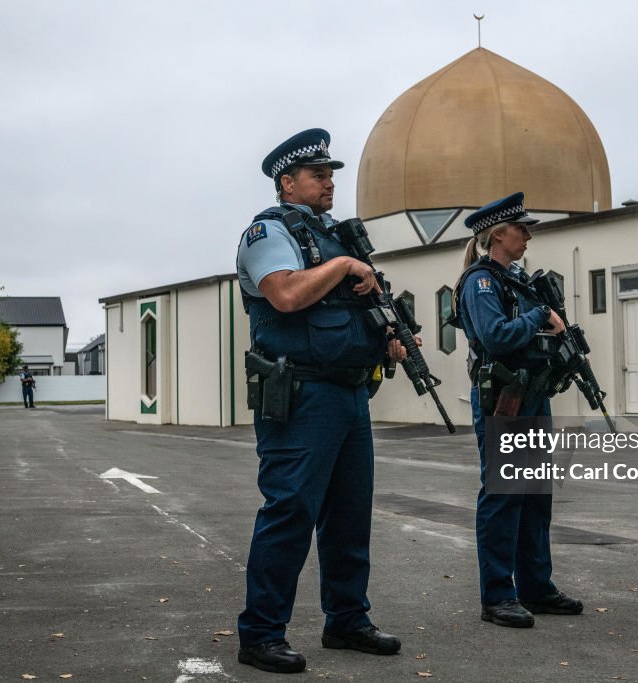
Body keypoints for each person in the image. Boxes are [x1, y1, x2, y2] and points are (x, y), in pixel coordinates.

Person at [234, 128, 403, 674]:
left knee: (350, 516)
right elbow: (284, 295)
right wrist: (346, 267)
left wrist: (389, 340)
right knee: (289, 511)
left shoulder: (333, 235)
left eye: (332, 174)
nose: (330, 182)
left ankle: (347, 620)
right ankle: (260, 634)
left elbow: (348, 313)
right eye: (318, 174)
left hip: (350, 392)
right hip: (301, 395)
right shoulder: (269, 232)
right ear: (288, 182)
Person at [452, 192, 584, 628]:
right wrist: (539, 316)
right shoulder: (481, 282)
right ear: (497, 234)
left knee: (535, 497)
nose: (528, 234)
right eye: (521, 228)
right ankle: (498, 596)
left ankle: (536, 587)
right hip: (503, 398)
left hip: (532, 394)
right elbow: (496, 336)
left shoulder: (518, 281)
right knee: (505, 496)